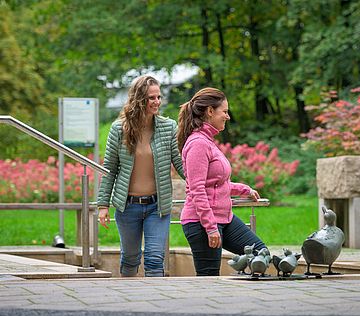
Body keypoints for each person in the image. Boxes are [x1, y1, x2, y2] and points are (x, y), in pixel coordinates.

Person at [97, 75, 184, 277]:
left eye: (158, 97)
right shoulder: (119, 129)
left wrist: (202, 183)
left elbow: (179, 163)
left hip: (157, 206)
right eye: (151, 98)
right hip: (128, 207)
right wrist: (103, 206)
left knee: (155, 259)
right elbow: (110, 168)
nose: (157, 102)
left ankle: (155, 305)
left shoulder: (168, 127)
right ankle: (130, 303)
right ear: (138, 99)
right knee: (130, 258)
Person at [177, 87, 269, 276]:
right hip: (201, 222)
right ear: (210, 111)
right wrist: (210, 228)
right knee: (209, 278)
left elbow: (216, 183)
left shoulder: (208, 141)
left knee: (261, 253)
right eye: (225, 112)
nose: (228, 116)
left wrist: (243, 189)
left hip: (224, 218)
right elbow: (197, 189)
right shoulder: (198, 144)